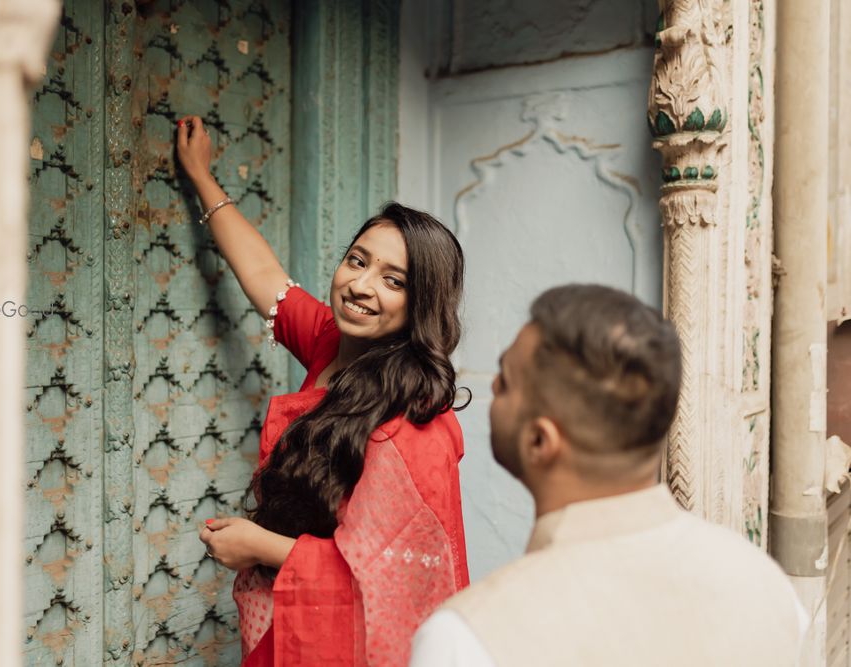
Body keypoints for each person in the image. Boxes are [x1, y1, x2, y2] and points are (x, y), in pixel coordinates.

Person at [175, 115, 470, 666]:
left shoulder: (416, 421)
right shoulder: (331, 345)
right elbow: (263, 274)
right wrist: (201, 176)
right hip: (287, 623)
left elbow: (405, 576)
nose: (360, 285)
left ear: (420, 304)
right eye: (357, 261)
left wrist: (259, 547)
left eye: (393, 279)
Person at [411, 284, 807, 666]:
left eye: (507, 381)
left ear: (539, 441)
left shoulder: (470, 637)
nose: (493, 385)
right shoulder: (769, 588)